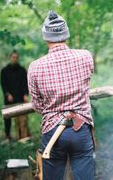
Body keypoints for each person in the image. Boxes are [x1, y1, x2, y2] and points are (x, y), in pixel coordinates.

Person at [28, 10, 94, 180]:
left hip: (53, 131)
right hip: (81, 128)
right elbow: (86, 85)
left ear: (45, 36)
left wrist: (54, 109)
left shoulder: (35, 67)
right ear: (66, 33)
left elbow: (36, 105)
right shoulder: (85, 57)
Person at [0, 50, 31, 144]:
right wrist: (7, 94)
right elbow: (3, 84)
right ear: (10, 58)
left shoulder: (22, 70)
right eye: (13, 57)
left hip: (20, 97)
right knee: (7, 118)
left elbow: (26, 83)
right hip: (9, 98)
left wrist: (26, 94)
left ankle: (22, 136)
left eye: (16, 57)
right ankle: (7, 136)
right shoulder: (4, 70)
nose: (15, 59)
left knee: (22, 118)